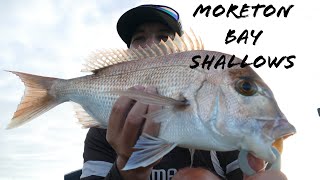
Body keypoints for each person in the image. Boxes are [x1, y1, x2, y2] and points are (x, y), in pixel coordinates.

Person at [79, 4, 287, 180]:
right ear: (126, 53)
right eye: (139, 38)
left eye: (163, 36)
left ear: (182, 51)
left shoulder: (226, 129)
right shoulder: (101, 131)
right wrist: (126, 171)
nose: (151, 44)